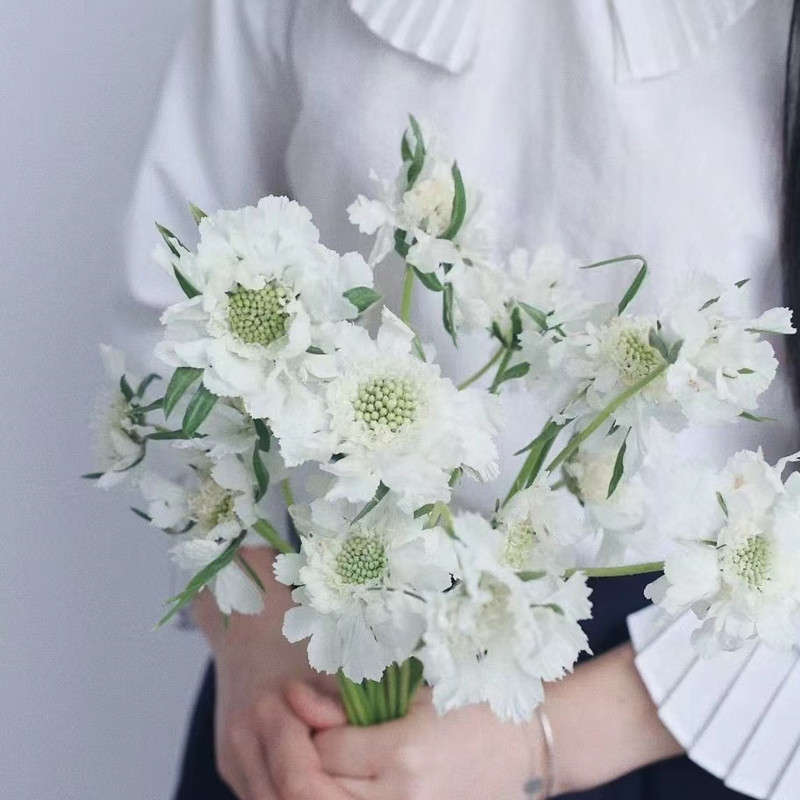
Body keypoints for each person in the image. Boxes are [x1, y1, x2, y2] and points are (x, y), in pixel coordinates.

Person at [125, 1, 800, 798]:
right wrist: (252, 629)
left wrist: (552, 734)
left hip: (704, 708)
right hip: (323, 680)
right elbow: (174, 297)